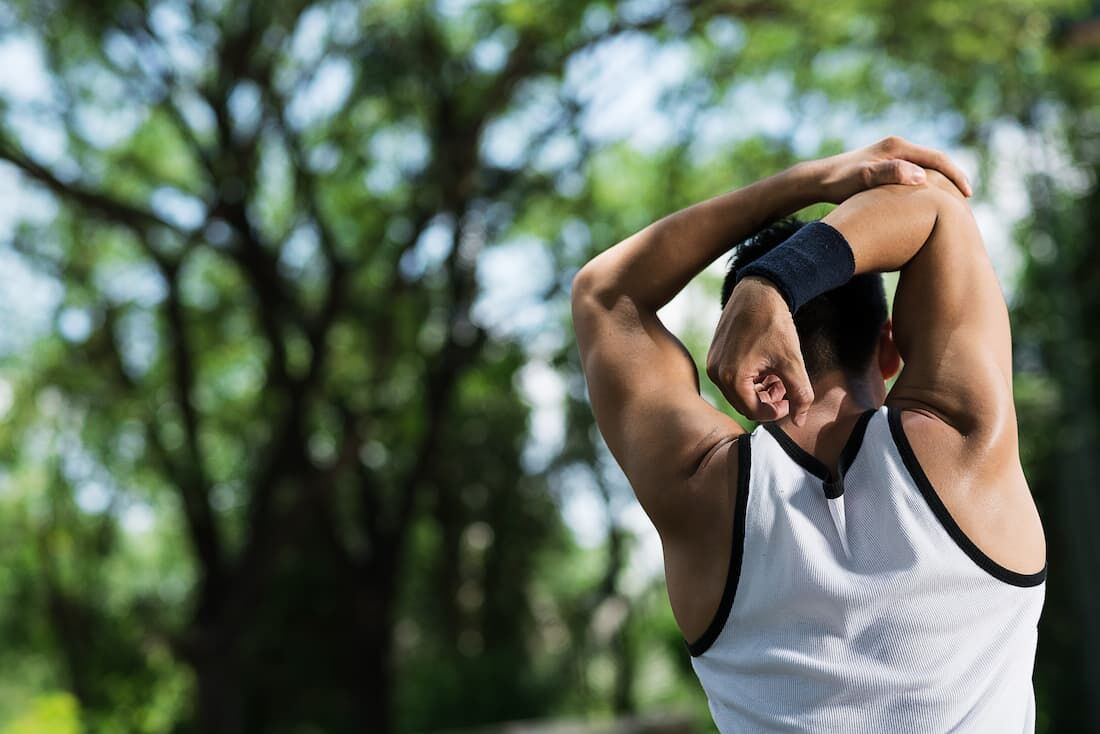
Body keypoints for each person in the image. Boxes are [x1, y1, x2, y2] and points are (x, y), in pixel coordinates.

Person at [570, 137, 1047, 733]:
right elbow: (937, 205)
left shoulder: (701, 493)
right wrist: (774, 284)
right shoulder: (962, 445)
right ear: (890, 347)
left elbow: (604, 295)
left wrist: (806, 183)